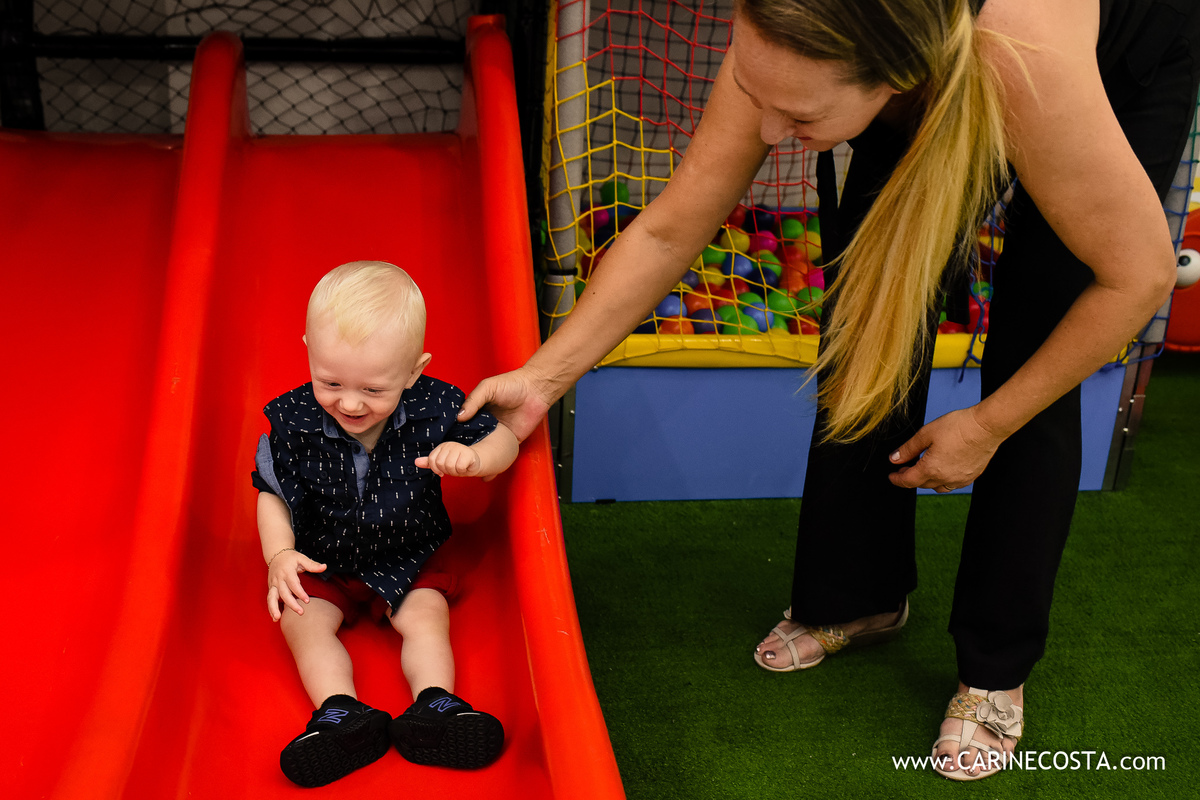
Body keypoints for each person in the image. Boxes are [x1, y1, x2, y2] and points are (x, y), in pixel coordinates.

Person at [459, 0, 1200, 782]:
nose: (772, 134)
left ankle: (995, 663)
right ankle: (858, 595)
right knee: (868, 311)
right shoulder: (789, 37)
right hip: (921, 57)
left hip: (1114, 52)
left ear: (898, 79)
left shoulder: (1019, 55)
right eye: (757, 93)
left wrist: (987, 424)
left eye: (800, 114)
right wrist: (542, 380)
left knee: (1042, 325)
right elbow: (673, 228)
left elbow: (1138, 277)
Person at [252, 261, 519, 787]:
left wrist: (480, 458)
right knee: (301, 620)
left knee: (425, 616)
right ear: (308, 348)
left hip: (409, 551)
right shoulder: (291, 419)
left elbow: (505, 437)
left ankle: (435, 706)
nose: (349, 402)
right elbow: (272, 496)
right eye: (330, 381)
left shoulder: (437, 405)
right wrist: (280, 555)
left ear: (414, 371)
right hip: (322, 556)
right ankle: (339, 714)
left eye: (374, 390)